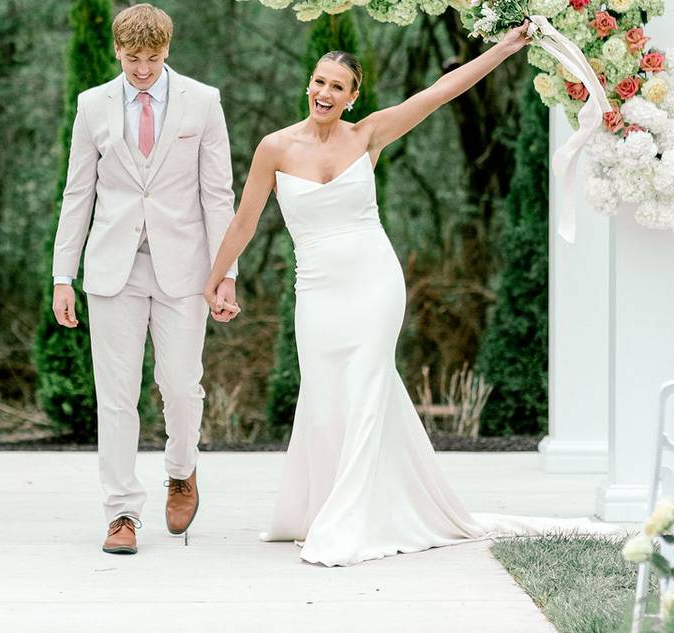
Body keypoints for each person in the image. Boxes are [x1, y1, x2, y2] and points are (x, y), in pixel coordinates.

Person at [203, 23, 617, 567]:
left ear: (354, 97)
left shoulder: (368, 134)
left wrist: (505, 47)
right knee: (326, 399)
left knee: (368, 386)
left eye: (338, 87)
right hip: (318, 291)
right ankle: (327, 504)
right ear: (309, 85)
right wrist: (216, 276)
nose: (325, 93)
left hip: (374, 281)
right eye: (319, 82)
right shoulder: (274, 148)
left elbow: (441, 92)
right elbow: (244, 220)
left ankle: (350, 521)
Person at [51, 3, 240, 555]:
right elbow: (77, 194)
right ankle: (121, 515)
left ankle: (182, 471)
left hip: (185, 269)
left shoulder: (203, 102)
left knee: (180, 387)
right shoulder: (92, 105)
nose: (142, 69)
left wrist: (226, 272)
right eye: (132, 59)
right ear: (117, 51)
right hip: (113, 269)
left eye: (152, 59)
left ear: (167, 50)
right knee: (115, 397)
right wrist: (64, 274)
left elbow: (217, 193)